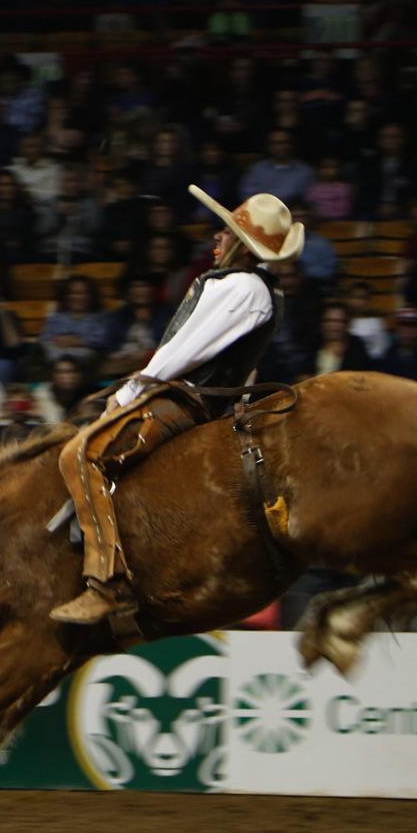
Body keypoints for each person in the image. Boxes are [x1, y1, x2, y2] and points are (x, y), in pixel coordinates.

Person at [50, 186, 291, 630]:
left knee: (81, 455)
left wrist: (130, 392)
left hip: (185, 400)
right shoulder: (256, 290)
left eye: (226, 232)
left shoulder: (241, 288)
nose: (217, 238)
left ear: (242, 244)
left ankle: (108, 582)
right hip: (190, 395)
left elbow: (185, 352)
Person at [40, 276, 113, 371]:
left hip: (89, 362)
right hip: (56, 358)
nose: (77, 297)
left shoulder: (102, 317)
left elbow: (104, 341)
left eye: (82, 293)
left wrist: (79, 342)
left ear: (91, 296)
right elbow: (45, 339)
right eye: (73, 293)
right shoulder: (56, 317)